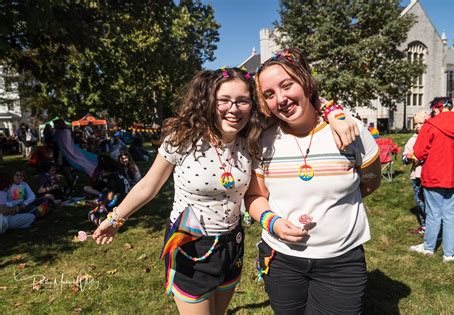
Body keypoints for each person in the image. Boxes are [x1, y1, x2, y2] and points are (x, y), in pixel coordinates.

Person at [91, 66, 358, 315]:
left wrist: (335, 113)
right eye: (224, 100)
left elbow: (295, 102)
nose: (234, 109)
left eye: (242, 100)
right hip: (189, 245)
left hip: (232, 244)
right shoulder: (183, 138)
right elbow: (149, 186)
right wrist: (115, 219)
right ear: (208, 100)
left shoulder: (251, 138)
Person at [246, 49, 381, 314]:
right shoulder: (263, 141)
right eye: (270, 94)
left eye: (287, 85)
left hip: (341, 262)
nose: (281, 99)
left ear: (305, 82)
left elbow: (371, 181)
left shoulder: (349, 129)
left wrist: (336, 204)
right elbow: (255, 196)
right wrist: (271, 222)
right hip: (281, 259)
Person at [410, 97, 454, 262]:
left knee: (433, 214)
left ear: (437, 108)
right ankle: (449, 254)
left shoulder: (430, 125)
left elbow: (419, 151)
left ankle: (429, 247)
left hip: (434, 175)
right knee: (451, 215)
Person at [402, 111, 429, 235]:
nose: (418, 126)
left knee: (430, 202)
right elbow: (404, 159)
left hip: (429, 175)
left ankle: (432, 225)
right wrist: (408, 158)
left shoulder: (432, 138)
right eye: (416, 124)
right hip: (416, 175)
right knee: (419, 201)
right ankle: (424, 225)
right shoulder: (412, 140)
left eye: (421, 123)